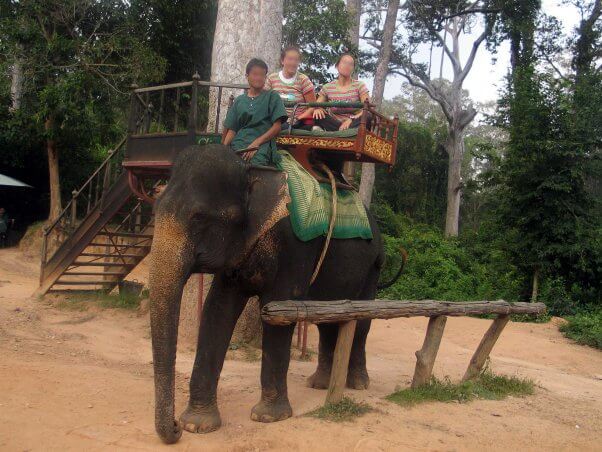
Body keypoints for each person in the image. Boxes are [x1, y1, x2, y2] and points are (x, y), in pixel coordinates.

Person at [223, 58, 288, 166]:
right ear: (247, 76)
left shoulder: (272, 96)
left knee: (255, 167)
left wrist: (256, 143)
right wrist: (223, 149)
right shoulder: (239, 100)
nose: (258, 78)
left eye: (262, 75)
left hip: (262, 144)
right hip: (239, 143)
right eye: (254, 74)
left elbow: (277, 127)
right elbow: (232, 129)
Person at [313, 53, 371, 132]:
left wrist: (351, 119)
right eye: (344, 62)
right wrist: (317, 109)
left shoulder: (359, 85)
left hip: (352, 124)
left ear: (353, 68)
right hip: (334, 124)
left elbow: (367, 108)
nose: (347, 66)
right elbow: (317, 104)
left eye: (350, 64)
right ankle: (336, 132)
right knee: (317, 114)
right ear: (337, 66)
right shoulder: (328, 87)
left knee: (367, 115)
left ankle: (344, 132)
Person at [265, 46, 316, 131]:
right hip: (276, 119)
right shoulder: (271, 79)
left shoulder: (303, 80)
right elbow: (264, 100)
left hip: (298, 122)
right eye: (290, 59)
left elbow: (312, 106)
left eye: (296, 60)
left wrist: (299, 118)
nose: (293, 63)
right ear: (282, 61)